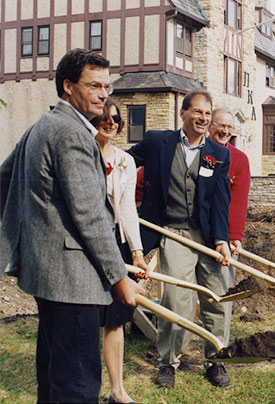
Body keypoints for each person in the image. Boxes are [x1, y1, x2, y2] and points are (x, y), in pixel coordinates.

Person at [0, 49, 144, 403]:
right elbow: (90, 215)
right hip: (73, 283)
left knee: (53, 381)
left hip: (48, 275)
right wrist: (119, 277)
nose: (102, 95)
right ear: (68, 86)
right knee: (77, 388)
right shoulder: (71, 133)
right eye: (93, 85)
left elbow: (5, 177)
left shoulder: (43, 125)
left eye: (106, 87)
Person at [127, 88, 232, 389]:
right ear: (183, 113)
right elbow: (123, 163)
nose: (203, 118)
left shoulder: (216, 154)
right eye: (198, 112)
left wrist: (222, 239)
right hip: (172, 232)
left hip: (208, 236)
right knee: (175, 300)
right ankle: (168, 363)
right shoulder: (158, 142)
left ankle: (216, 360)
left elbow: (220, 201)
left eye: (208, 114)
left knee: (217, 297)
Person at [91, 97, 149, 404]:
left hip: (115, 240)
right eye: (104, 116)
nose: (111, 122)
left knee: (115, 318)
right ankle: (83, 389)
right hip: (84, 243)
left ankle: (117, 390)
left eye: (116, 118)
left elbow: (127, 208)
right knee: (86, 318)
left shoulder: (126, 161)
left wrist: (137, 253)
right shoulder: (82, 154)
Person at [208, 108, 251, 257]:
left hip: (224, 233)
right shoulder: (198, 151)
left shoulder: (240, 159)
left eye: (229, 127)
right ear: (209, 126)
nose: (225, 131)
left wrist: (234, 235)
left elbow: (239, 202)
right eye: (221, 126)